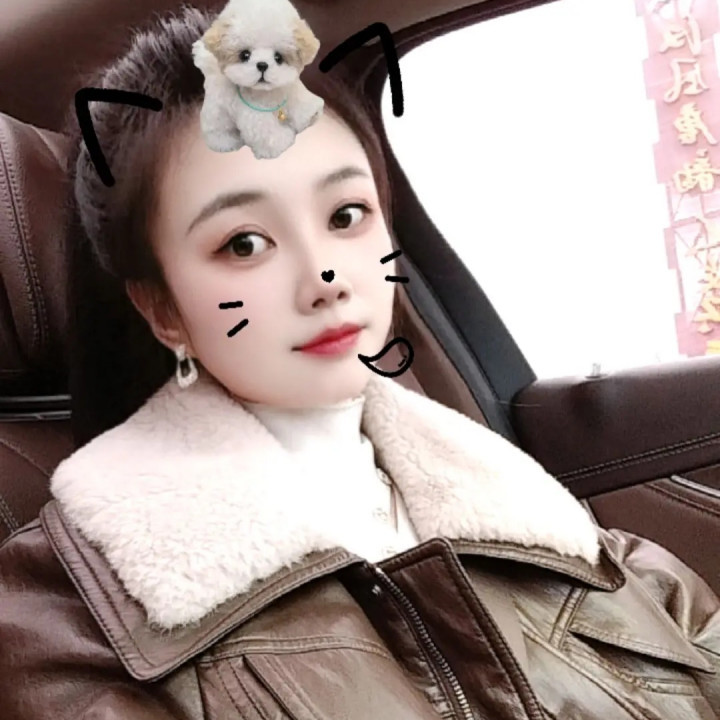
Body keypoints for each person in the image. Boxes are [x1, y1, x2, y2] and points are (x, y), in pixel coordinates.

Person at [1, 6, 719, 720]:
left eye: (346, 216)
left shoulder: (544, 519)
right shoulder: (69, 616)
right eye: (244, 244)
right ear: (163, 308)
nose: (326, 278)